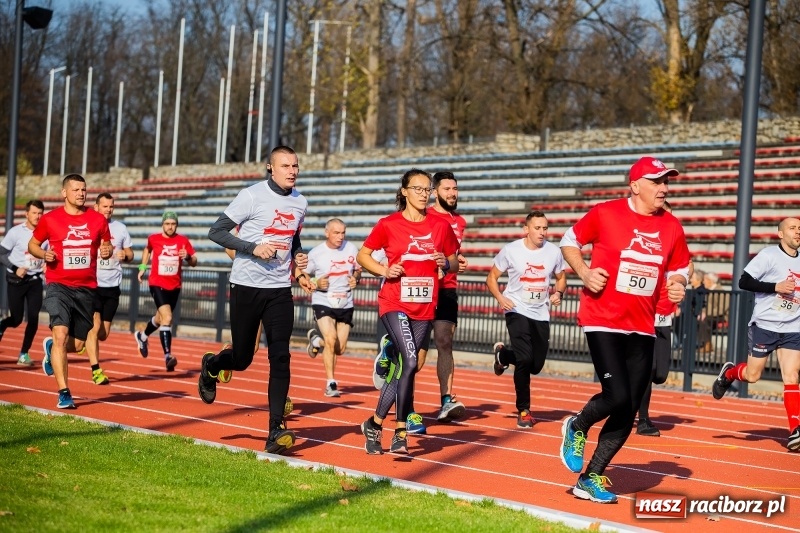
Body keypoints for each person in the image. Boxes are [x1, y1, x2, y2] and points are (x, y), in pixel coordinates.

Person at [557, 156, 690, 503]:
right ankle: (578, 426)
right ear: (635, 185)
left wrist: (677, 283)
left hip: (643, 324)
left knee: (629, 408)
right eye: (657, 181)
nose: (664, 188)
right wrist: (584, 273)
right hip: (603, 318)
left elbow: (681, 267)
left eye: (667, 182)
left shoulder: (672, 226)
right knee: (616, 395)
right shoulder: (605, 213)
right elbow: (569, 240)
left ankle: (591, 477)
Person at [197, 145, 312, 456]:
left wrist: (298, 256)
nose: (292, 170)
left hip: (279, 290)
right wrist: (252, 248)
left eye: (296, 165)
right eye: (286, 165)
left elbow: (293, 236)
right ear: (270, 168)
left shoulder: (301, 202)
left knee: (281, 356)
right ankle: (212, 365)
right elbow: (216, 231)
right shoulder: (251, 195)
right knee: (244, 358)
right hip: (246, 286)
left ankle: (276, 429)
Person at [356, 168, 459, 455]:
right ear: (404, 191)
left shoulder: (440, 226)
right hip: (394, 303)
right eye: (418, 189)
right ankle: (401, 431)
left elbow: (454, 262)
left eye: (427, 190)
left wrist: (444, 262)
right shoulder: (388, 224)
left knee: (405, 367)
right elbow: (362, 255)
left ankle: (374, 424)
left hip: (425, 306)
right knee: (411, 361)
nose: (423, 194)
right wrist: (385, 270)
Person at [712, 217, 800, 452]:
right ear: (780, 234)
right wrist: (775, 287)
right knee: (753, 375)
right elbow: (744, 281)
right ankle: (729, 373)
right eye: (792, 228)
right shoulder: (769, 255)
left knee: (791, 376)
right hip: (765, 324)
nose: (797, 232)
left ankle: (795, 430)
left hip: (792, 327)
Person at [28, 174, 112, 409]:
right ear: (64, 192)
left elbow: (107, 243)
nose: (81, 194)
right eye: (75, 190)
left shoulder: (97, 220)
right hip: (58, 286)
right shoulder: (50, 219)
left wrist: (106, 250)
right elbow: (32, 244)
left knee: (76, 345)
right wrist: (43, 254)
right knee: (61, 335)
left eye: (84, 190)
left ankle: (50, 349)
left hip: (86, 289)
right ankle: (64, 392)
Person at [486, 210, 567, 429]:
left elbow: (561, 278)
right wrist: (501, 298)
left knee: (535, 365)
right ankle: (524, 410)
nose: (542, 232)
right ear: (526, 229)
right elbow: (491, 278)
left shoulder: (553, 252)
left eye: (545, 228)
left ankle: (502, 355)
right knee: (524, 359)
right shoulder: (511, 250)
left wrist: (558, 293)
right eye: (537, 228)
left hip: (540, 312)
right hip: (516, 309)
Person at [635, 201, 685, 437]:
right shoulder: (646, 244)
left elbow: (688, 267)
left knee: (660, 374)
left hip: (664, 319)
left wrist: (680, 284)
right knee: (648, 368)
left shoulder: (676, 245)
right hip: (641, 318)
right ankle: (643, 419)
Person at [304, 218, 361, 397]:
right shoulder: (316, 253)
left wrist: (356, 278)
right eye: (336, 232)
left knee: (339, 348)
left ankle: (315, 341)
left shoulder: (351, 248)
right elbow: (301, 275)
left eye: (343, 232)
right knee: (331, 339)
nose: (340, 236)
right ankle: (331, 383)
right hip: (323, 300)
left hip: (345, 301)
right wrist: (315, 281)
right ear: (326, 232)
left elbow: (358, 269)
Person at [134, 211, 197, 371]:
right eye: (167, 223)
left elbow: (194, 262)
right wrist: (142, 267)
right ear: (163, 224)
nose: (170, 226)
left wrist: (188, 257)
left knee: (161, 318)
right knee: (167, 317)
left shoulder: (183, 241)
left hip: (174, 286)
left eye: (173, 224)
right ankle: (168, 356)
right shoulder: (154, 238)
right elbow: (147, 250)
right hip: (157, 283)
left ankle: (142, 336)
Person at [0, 200, 46, 367]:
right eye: (34, 213)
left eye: (40, 213)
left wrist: (48, 263)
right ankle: (2, 324)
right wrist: (15, 267)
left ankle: (24, 354)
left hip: (35, 280)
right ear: (27, 214)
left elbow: (49, 252)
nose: (37, 216)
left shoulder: (46, 232)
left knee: (33, 318)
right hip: (16, 280)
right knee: (16, 319)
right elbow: (1, 253)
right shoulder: (15, 232)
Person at [697, 271, 729, 353]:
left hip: (721, 316)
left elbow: (721, 309)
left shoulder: (720, 291)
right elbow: (707, 306)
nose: (703, 282)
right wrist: (702, 312)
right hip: (712, 315)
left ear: (710, 280)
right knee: (701, 319)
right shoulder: (710, 291)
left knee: (706, 320)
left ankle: (707, 344)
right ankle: (701, 343)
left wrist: (706, 313)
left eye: (705, 280)